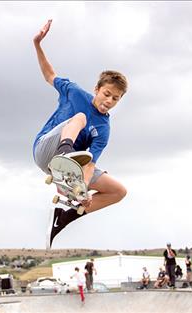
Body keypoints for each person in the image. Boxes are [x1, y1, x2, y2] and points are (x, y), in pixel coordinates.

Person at [32, 20, 128, 249]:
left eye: (115, 99)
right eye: (106, 94)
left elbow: (89, 165)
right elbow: (49, 75)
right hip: (46, 149)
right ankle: (65, 156)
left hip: (70, 166)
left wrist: (83, 191)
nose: (109, 101)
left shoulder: (104, 129)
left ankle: (65, 216)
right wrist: (37, 43)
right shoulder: (74, 92)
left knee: (118, 191)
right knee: (81, 118)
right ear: (97, 89)